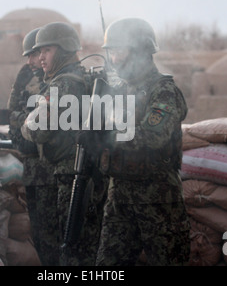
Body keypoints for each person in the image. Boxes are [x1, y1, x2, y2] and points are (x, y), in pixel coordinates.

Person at [95, 18, 191, 266]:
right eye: (111, 51)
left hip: (157, 199)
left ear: (139, 51)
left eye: (118, 51)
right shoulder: (118, 91)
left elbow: (153, 135)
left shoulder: (163, 91)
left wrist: (106, 134)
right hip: (120, 197)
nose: (113, 59)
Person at [21, 22, 107, 266]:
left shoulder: (64, 84)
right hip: (88, 171)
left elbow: (37, 130)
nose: (40, 58)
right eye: (39, 52)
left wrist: (25, 124)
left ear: (64, 50)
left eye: (46, 51)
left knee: (72, 246)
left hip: (72, 174)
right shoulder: (86, 79)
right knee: (87, 241)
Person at [6, 27, 59, 266]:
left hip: (54, 166)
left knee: (56, 232)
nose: (31, 61)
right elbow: (14, 110)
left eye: (35, 54)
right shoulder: (27, 75)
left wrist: (24, 120)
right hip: (33, 163)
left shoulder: (58, 80)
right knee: (41, 230)